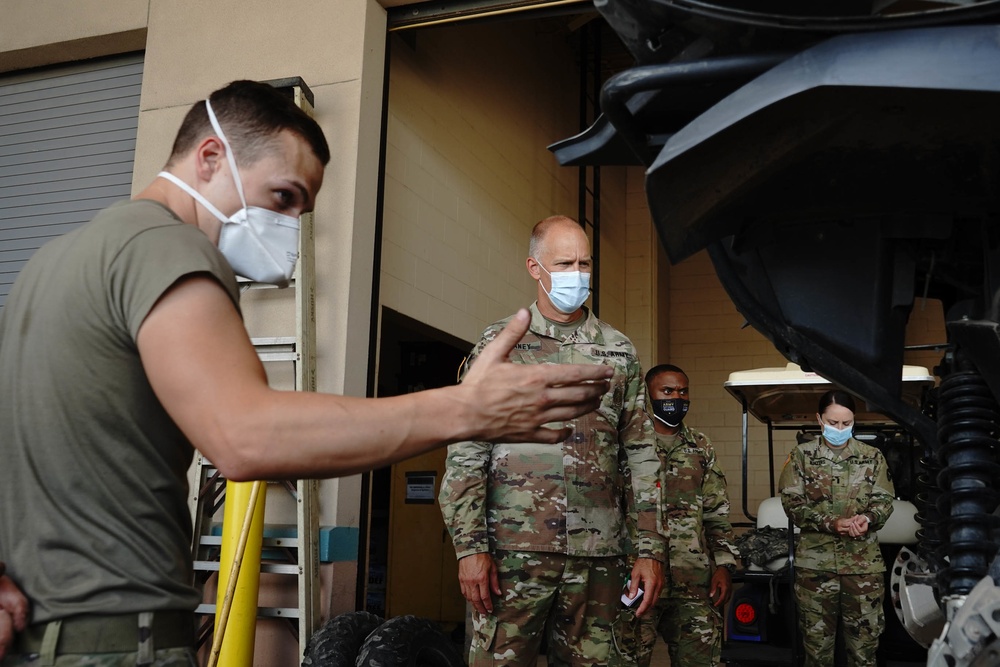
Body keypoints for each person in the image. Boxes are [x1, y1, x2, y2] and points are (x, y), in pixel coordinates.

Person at [0, 81, 614, 667]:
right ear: (211, 157)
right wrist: (465, 409)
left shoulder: (50, 263)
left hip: (40, 628)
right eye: (283, 197)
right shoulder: (170, 248)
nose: (291, 226)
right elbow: (245, 437)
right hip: (114, 634)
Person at [438, 215, 665, 667]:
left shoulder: (618, 350)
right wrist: (471, 548)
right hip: (512, 558)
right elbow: (467, 449)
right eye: (564, 263)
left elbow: (641, 455)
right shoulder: (500, 345)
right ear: (534, 267)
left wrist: (651, 549)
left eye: (585, 263)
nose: (577, 274)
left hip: (599, 558)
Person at [626, 364, 739, 667]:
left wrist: (725, 565)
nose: (676, 397)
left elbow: (717, 512)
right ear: (648, 394)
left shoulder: (700, 446)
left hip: (693, 582)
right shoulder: (627, 444)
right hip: (636, 581)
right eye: (667, 391)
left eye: (682, 391)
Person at [778, 389, 895, 667]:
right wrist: (832, 523)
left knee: (864, 650)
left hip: (863, 568)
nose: (840, 429)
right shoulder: (801, 456)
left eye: (846, 423)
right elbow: (792, 504)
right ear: (820, 420)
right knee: (817, 651)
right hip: (815, 568)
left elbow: (884, 500)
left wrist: (868, 519)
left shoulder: (872, 456)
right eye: (833, 423)